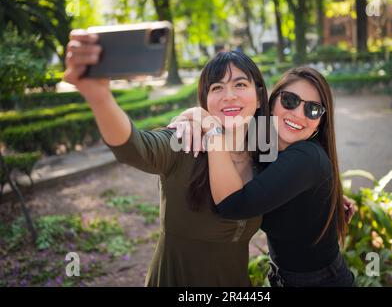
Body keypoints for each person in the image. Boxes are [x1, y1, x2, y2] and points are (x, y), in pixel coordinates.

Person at [63, 30, 271, 286]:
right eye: (217, 87)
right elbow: (134, 147)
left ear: (259, 97)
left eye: (240, 84)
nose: (229, 96)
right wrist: (100, 98)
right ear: (205, 101)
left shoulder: (266, 153)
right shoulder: (186, 141)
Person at [170, 67, 356, 287]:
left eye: (313, 110)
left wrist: (209, 126)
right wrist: (187, 120)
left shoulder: (306, 157)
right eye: (290, 100)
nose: (298, 114)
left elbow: (233, 205)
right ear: (272, 100)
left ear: (320, 122)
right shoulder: (264, 141)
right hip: (283, 277)